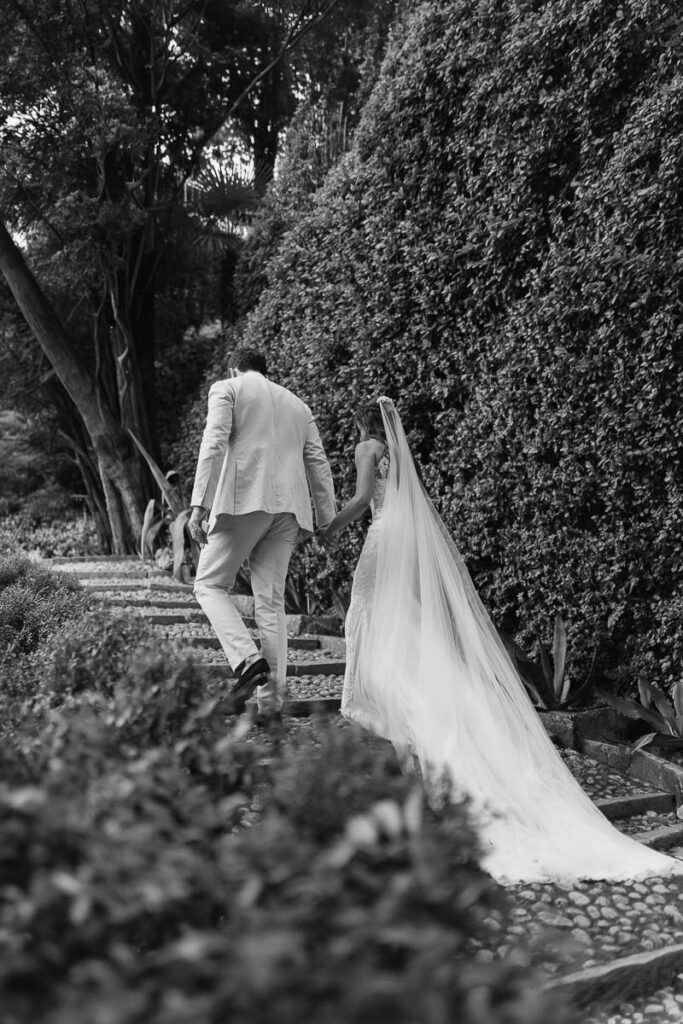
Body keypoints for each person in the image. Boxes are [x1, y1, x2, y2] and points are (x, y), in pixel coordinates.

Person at [318, 397, 683, 884]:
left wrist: (329, 529)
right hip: (402, 532)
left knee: (370, 617)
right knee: (397, 621)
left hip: (385, 536)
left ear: (363, 423)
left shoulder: (367, 446)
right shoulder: (399, 454)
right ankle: (418, 730)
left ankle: (406, 727)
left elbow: (365, 500)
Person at [189, 347, 336, 724]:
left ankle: (247, 661)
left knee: (208, 584)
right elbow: (318, 463)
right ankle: (271, 707)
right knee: (270, 604)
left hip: (244, 499)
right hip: (289, 509)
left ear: (235, 367)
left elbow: (214, 442)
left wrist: (199, 506)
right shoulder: (298, 406)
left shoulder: (228, 388)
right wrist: (327, 520)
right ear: (265, 370)